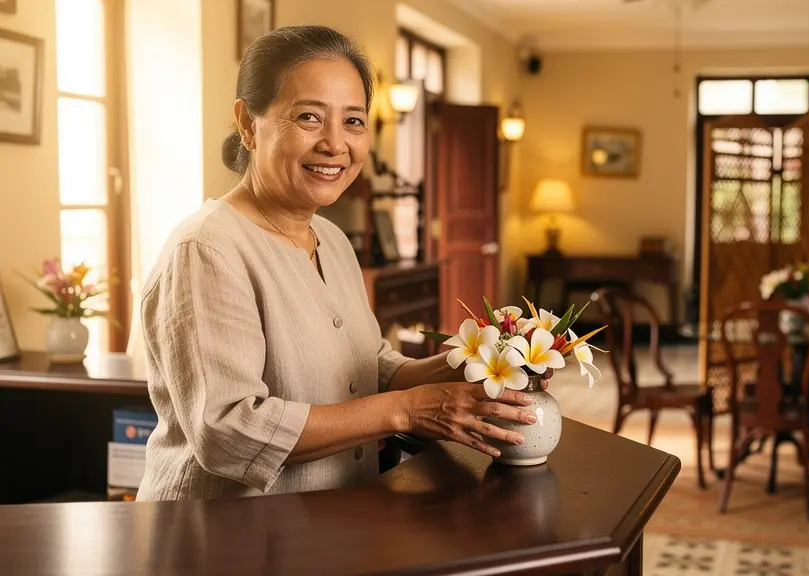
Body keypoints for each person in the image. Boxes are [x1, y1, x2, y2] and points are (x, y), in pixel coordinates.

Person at [136, 25, 539, 501]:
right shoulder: (207, 249)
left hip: (332, 528)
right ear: (248, 123)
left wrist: (477, 365)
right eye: (309, 117)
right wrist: (406, 411)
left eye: (353, 121)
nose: (335, 144)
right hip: (224, 541)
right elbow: (228, 430)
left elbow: (371, 366)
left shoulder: (330, 239)